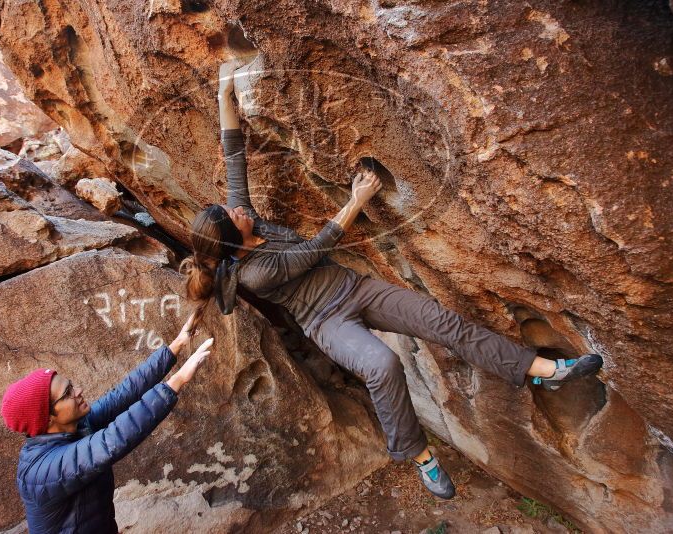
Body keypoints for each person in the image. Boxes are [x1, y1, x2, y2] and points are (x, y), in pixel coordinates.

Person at [178, 60, 603, 500]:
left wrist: (223, 91)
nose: (238, 208)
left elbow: (233, 153)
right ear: (235, 239)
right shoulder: (255, 271)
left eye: (232, 207)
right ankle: (419, 455)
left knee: (442, 322)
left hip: (355, 288)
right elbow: (317, 247)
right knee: (382, 364)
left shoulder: (242, 224)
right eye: (234, 215)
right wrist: (357, 199)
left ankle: (544, 370)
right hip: (327, 322)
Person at [0, 311, 213, 533]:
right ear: (47, 417)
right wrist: (176, 381)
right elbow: (113, 440)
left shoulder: (78, 427)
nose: (79, 391)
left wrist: (176, 345)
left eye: (71, 385)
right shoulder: (41, 472)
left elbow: (123, 394)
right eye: (68, 393)